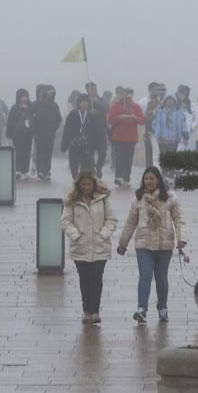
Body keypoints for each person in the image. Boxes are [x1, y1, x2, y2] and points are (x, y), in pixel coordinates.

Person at [117, 167, 188, 324]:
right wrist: (123, 244)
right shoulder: (138, 199)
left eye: (152, 178)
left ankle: (162, 307)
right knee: (145, 276)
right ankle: (141, 308)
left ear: (158, 180)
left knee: (161, 278)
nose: (149, 181)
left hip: (165, 244)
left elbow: (179, 219)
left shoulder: (170, 198)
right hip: (144, 244)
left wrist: (181, 238)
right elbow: (130, 222)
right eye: (146, 178)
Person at [60, 170, 118, 324]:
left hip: (100, 246)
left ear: (94, 184)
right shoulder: (72, 201)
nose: (86, 187)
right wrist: (75, 235)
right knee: (85, 280)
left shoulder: (103, 199)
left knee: (96, 279)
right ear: (79, 185)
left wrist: (103, 234)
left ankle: (95, 311)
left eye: (89, 184)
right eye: (83, 184)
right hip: (80, 247)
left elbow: (111, 219)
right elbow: (65, 221)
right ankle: (87, 310)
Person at [107, 87, 145, 187]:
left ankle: (126, 177)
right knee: (120, 157)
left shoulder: (136, 107)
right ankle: (118, 177)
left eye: (130, 94)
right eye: (126, 93)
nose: (128, 96)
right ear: (123, 94)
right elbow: (110, 120)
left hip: (131, 137)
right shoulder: (116, 106)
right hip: (119, 136)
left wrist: (135, 118)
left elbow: (142, 120)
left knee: (128, 158)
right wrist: (119, 117)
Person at [60, 95, 105, 178]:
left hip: (88, 144)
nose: (84, 104)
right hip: (74, 143)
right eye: (82, 102)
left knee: (87, 165)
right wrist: (64, 144)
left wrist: (98, 145)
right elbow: (67, 130)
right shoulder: (72, 114)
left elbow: (97, 132)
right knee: (73, 163)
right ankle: (75, 177)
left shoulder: (92, 115)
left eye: (86, 102)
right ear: (79, 103)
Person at [32, 85, 62, 181]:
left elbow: (59, 119)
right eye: (49, 93)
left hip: (50, 134)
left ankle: (47, 171)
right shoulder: (36, 105)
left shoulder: (55, 106)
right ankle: (40, 171)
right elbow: (32, 119)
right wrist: (35, 131)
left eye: (52, 94)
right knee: (40, 153)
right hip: (39, 134)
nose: (51, 95)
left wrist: (54, 127)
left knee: (48, 154)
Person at [6, 88, 35, 179]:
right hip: (17, 135)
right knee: (18, 152)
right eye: (23, 97)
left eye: (26, 96)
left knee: (27, 153)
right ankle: (17, 170)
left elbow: (34, 120)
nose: (25, 98)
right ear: (19, 97)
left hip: (28, 135)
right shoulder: (14, 108)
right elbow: (10, 121)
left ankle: (25, 171)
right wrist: (9, 134)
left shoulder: (31, 107)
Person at [85, 82, 109, 178]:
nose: (93, 90)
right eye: (91, 89)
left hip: (101, 130)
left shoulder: (101, 100)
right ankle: (91, 168)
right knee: (89, 152)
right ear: (87, 90)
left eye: (94, 88)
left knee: (103, 152)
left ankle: (99, 167)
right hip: (89, 131)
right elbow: (79, 112)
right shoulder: (84, 100)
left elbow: (106, 109)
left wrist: (96, 102)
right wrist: (88, 112)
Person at [140, 82, 166, 168]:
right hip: (152, 132)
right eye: (159, 90)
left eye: (163, 90)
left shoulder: (169, 102)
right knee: (151, 154)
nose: (161, 92)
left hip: (166, 134)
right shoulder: (151, 103)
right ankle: (150, 174)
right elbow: (147, 118)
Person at [175, 85, 197, 151]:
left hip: (190, 134)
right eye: (180, 93)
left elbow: (197, 119)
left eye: (183, 94)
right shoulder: (174, 103)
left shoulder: (192, 105)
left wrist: (191, 127)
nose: (181, 95)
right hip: (177, 133)